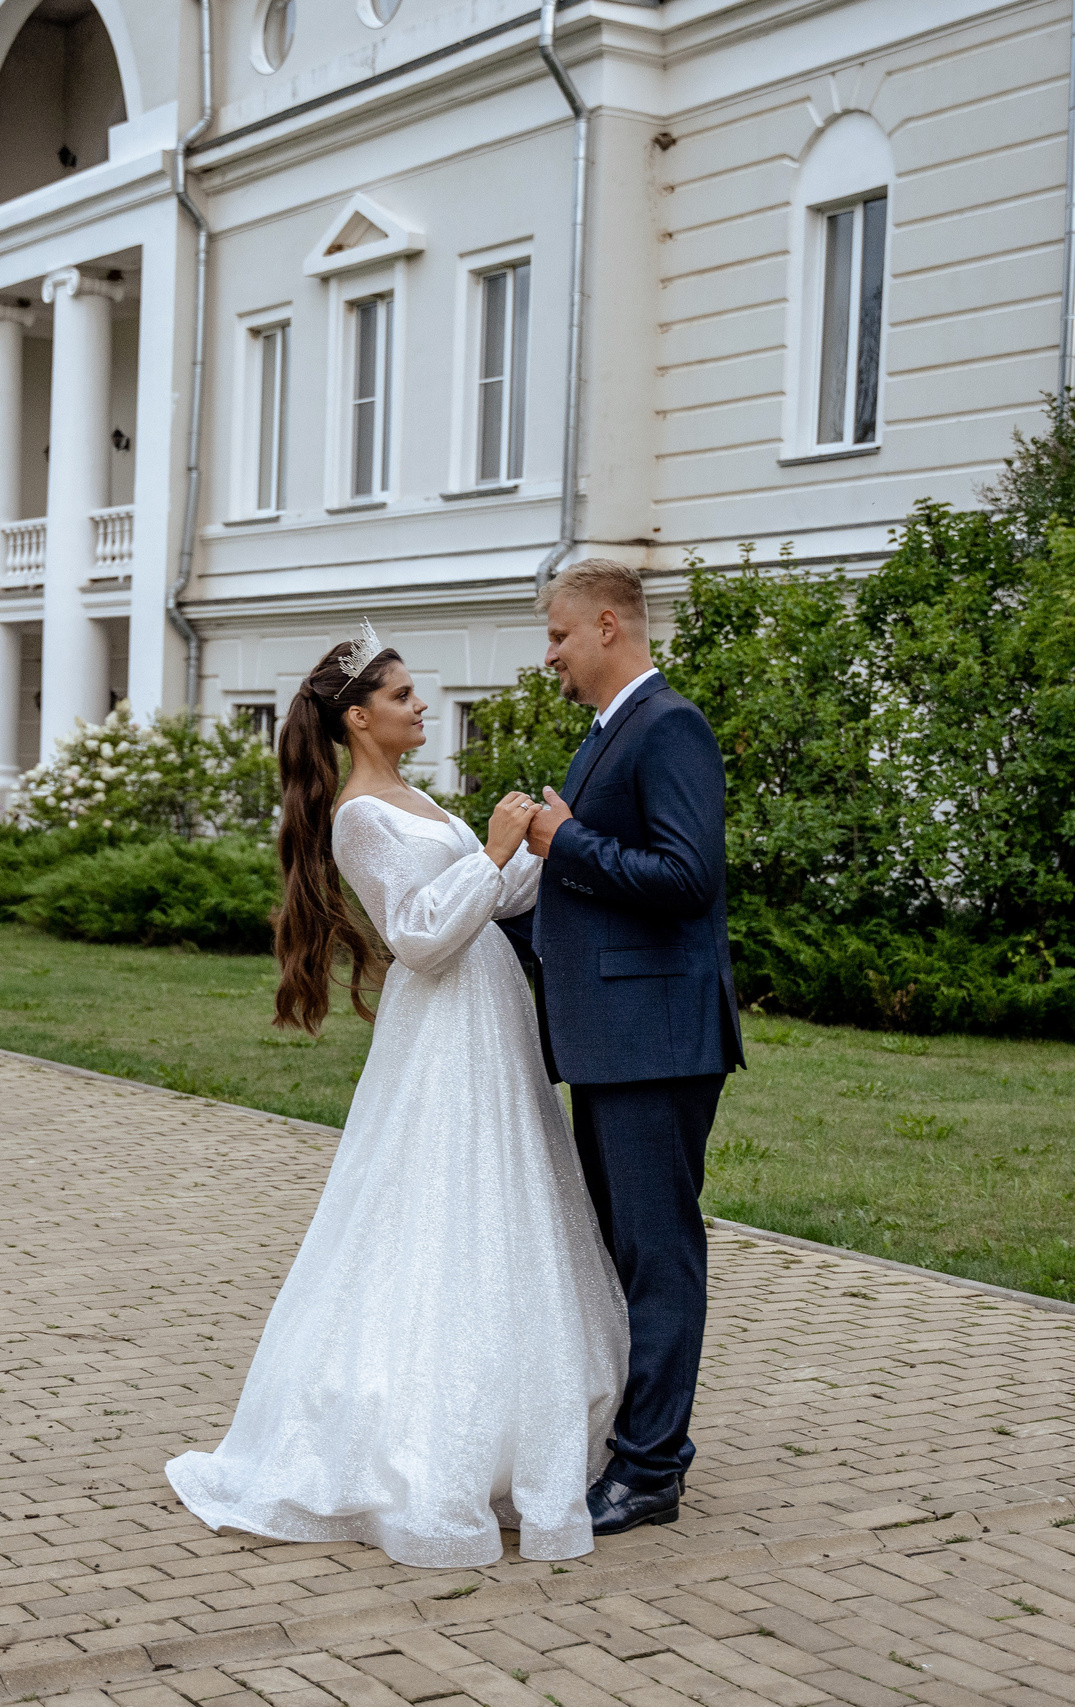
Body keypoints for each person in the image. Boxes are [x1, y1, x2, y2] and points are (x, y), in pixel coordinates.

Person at [165, 623, 626, 1567]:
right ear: (359, 717)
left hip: (489, 1014)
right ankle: (418, 1443)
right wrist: (491, 856)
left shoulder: (415, 796)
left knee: (507, 1204)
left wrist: (540, 843)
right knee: (434, 1207)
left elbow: (489, 902)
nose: (422, 706)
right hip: (443, 1024)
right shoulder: (360, 816)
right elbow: (418, 935)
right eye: (406, 694)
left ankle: (520, 1421)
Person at [523, 559, 743, 1536]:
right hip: (611, 1041)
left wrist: (561, 840)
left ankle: (651, 1470)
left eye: (559, 636)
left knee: (657, 1255)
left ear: (608, 626)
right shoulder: (605, 738)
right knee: (625, 1250)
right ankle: (639, 1442)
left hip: (655, 1041)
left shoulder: (669, 727)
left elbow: (687, 877)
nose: (552, 655)